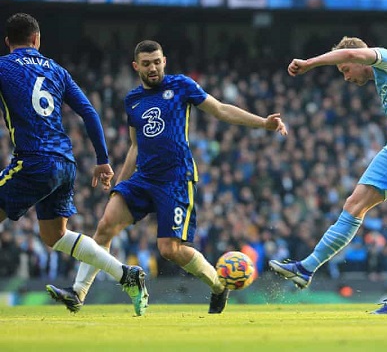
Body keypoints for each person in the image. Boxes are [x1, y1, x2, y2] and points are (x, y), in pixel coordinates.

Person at [46, 40, 288, 314]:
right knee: (105, 226)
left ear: (165, 61)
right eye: (147, 63)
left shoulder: (181, 86)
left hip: (175, 180)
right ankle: (78, 293)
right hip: (143, 179)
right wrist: (121, 184)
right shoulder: (133, 100)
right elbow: (135, 146)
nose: (153, 68)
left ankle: (218, 287)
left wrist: (262, 123)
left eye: (157, 61)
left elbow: (220, 109)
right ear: (136, 66)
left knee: (170, 249)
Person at [269, 36, 387, 314]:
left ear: (356, 56)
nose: (346, 78)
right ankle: (306, 268)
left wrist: (309, 63)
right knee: (354, 204)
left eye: (344, 70)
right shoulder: (384, 76)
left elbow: (355, 56)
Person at [0, 13, 148, 315]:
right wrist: (102, 160)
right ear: (36, 40)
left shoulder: (4, 67)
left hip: (34, 160)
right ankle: (127, 275)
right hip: (65, 164)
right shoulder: (56, 70)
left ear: (7, 42)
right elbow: (90, 112)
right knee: (55, 236)